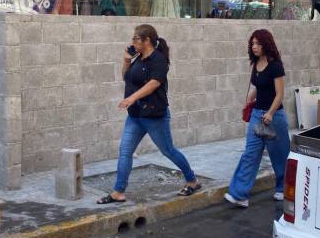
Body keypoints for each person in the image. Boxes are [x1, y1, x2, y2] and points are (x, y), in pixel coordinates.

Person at [97, 24, 200, 204]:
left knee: (168, 151)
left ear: (147, 41)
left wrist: (131, 98)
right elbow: (126, 77)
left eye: (136, 38)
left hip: (154, 116)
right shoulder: (138, 58)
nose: (133, 41)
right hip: (135, 116)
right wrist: (127, 60)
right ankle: (118, 192)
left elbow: (154, 83)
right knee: (125, 152)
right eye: (133, 38)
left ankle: (192, 180)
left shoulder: (158, 59)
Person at [225, 29, 290, 208]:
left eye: (258, 44)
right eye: (252, 43)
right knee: (250, 154)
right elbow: (259, 87)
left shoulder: (275, 65)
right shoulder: (255, 64)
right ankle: (239, 194)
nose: (254, 47)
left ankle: (283, 189)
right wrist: (250, 98)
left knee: (280, 155)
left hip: (274, 116)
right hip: (256, 115)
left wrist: (269, 113)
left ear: (266, 44)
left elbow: (280, 94)